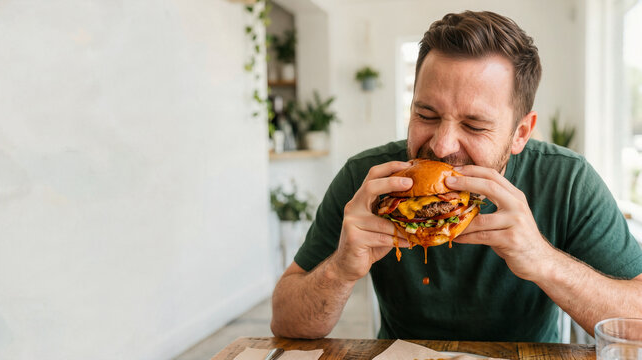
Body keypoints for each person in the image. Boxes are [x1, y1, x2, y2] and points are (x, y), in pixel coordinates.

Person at [270, 10, 642, 342]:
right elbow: (285, 322)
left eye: (475, 125)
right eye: (426, 115)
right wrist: (340, 269)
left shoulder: (567, 181)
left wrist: (544, 261)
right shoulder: (366, 181)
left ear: (521, 133)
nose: (443, 145)